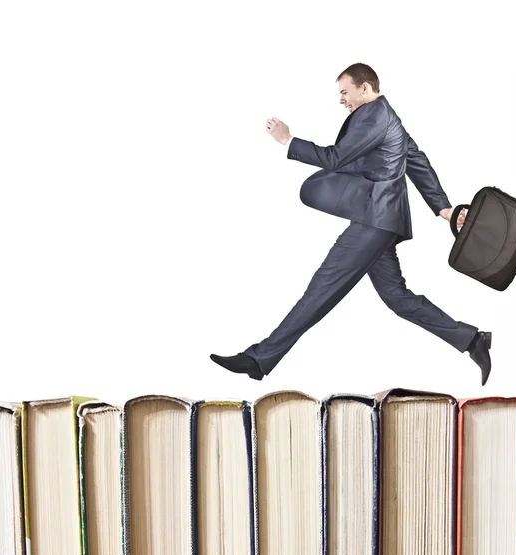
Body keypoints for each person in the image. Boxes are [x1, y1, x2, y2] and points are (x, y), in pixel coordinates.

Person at [210, 63, 492, 385]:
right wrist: (442, 207)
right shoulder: (391, 119)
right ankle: (473, 340)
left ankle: (260, 358)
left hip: (376, 220)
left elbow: (336, 157)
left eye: (345, 92)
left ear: (365, 88)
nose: (342, 100)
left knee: (322, 287)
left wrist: (288, 141)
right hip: (383, 220)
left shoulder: (374, 115)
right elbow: (415, 159)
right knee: (397, 298)